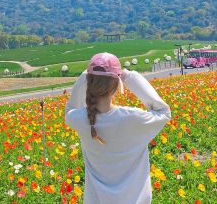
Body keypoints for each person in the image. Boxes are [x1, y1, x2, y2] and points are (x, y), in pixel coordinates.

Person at [65, 52, 171, 204]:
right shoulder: (133, 118)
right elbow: (164, 112)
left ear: (88, 83)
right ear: (116, 86)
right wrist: (130, 77)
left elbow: (69, 110)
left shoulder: (80, 119)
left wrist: (84, 77)